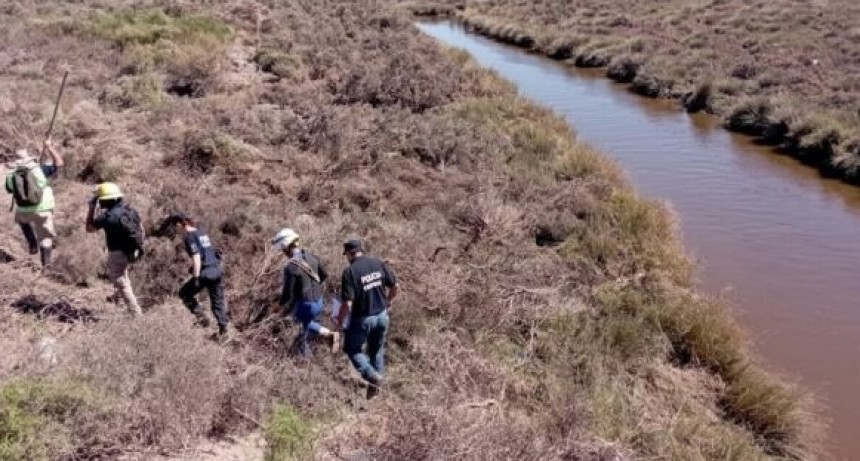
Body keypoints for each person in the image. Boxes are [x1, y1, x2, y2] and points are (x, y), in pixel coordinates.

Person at [336, 238, 398, 397]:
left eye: (346, 255)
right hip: (382, 316)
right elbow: (395, 286)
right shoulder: (377, 263)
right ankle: (376, 389)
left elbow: (348, 303)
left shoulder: (349, 272)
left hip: (363, 319)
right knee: (376, 350)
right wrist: (389, 301)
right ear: (361, 250)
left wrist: (340, 319)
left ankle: (371, 375)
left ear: (350, 254)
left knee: (352, 349)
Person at [272, 228, 340, 356]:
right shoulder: (311, 256)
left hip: (306, 305)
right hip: (320, 301)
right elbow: (324, 275)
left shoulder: (291, 267)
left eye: (282, 249)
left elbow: (287, 295)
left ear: (286, 246)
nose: (282, 252)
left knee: (300, 326)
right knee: (311, 327)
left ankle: (306, 359)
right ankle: (322, 344)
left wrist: (277, 307)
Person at [166, 213, 230, 338]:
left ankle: (202, 319)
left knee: (184, 293)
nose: (176, 231)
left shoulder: (189, 237)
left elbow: (196, 257)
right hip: (217, 270)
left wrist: (196, 277)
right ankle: (224, 330)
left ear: (179, 224)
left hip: (206, 272)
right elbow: (209, 251)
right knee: (218, 302)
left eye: (175, 227)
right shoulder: (201, 232)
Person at [85, 182, 144, 316]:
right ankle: (119, 298)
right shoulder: (131, 211)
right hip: (134, 249)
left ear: (105, 200)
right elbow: (141, 229)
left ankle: (135, 313)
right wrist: (138, 246)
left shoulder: (107, 217)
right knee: (123, 274)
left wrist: (91, 208)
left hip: (117, 252)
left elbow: (89, 228)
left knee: (119, 279)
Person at [4, 139, 64, 268]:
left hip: (23, 210)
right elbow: (59, 163)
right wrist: (49, 147)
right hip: (43, 208)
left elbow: (9, 189)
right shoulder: (40, 170)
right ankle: (46, 267)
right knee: (45, 238)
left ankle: (32, 243)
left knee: (22, 220)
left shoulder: (11, 175)